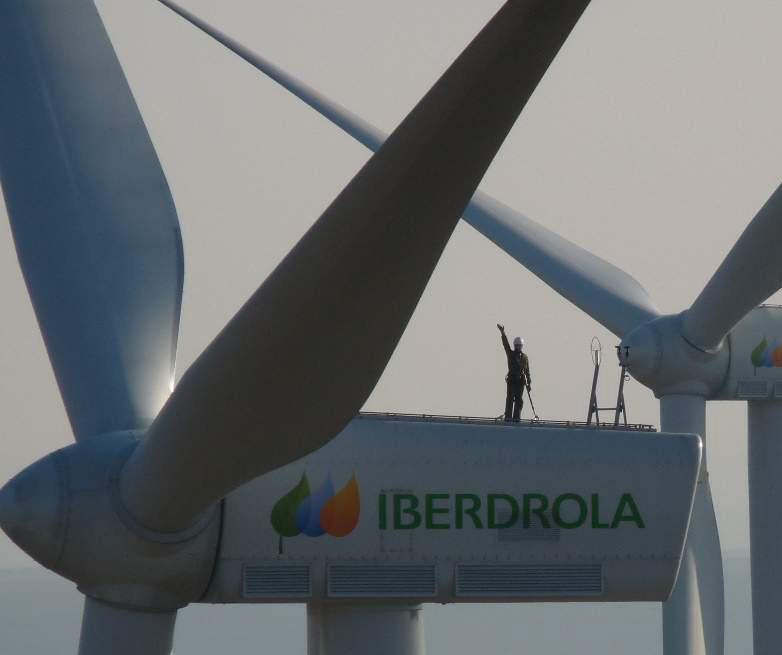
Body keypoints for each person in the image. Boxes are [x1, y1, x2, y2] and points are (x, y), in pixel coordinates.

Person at [497, 324, 531, 422]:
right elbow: (505, 345)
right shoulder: (511, 354)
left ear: (522, 346)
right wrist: (503, 333)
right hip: (512, 381)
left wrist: (529, 384)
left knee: (519, 401)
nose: (518, 347)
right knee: (510, 399)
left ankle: (516, 418)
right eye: (516, 345)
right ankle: (508, 418)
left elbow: (527, 372)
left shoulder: (525, 357)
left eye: (519, 345)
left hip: (520, 383)